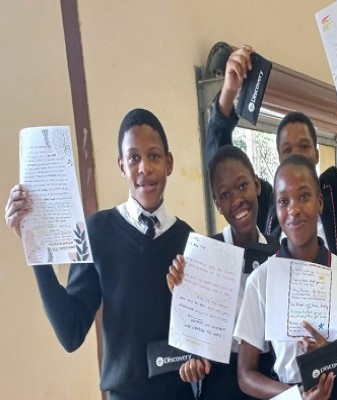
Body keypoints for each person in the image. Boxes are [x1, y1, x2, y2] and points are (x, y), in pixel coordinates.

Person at [4, 109, 195, 399]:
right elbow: (70, 332)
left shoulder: (189, 240)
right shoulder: (97, 233)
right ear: (121, 166)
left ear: (168, 163)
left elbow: (200, 335)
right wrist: (35, 249)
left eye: (154, 156)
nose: (144, 167)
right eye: (133, 158)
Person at [204, 36, 337, 260]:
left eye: (304, 146)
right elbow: (221, 166)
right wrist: (229, 90)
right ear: (279, 157)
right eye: (287, 150)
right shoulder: (266, 202)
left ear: (316, 154)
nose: (296, 154)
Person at [233, 154, 337, 399]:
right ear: (276, 210)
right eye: (283, 201)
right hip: (287, 394)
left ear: (320, 203)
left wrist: (330, 355)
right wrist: (296, 397)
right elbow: (245, 375)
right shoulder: (262, 280)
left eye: (304, 196)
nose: (294, 209)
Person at [166, 145, 279, 399]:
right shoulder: (202, 257)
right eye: (225, 194)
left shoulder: (278, 252)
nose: (237, 199)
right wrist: (180, 288)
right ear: (217, 204)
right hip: (221, 379)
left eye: (242, 186)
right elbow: (193, 340)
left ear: (257, 185)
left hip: (270, 374)